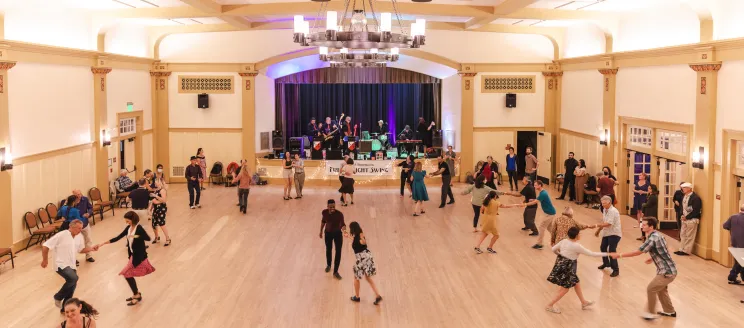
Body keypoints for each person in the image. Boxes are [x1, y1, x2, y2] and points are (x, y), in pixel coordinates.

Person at [611, 217, 677, 320]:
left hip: (667, 272)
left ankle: (650, 313)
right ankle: (670, 311)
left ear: (651, 227)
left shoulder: (652, 239)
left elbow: (637, 252)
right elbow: (665, 248)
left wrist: (619, 255)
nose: (642, 226)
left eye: (645, 224)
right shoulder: (658, 235)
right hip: (667, 269)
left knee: (651, 289)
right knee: (661, 290)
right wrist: (652, 257)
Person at [94, 211, 155, 306]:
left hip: (138, 256)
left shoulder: (139, 228)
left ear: (133, 219)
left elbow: (147, 238)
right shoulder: (128, 228)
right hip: (132, 255)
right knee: (127, 275)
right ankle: (136, 294)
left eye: (128, 221)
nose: (127, 223)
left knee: (126, 274)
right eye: (126, 221)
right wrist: (102, 244)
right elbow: (118, 237)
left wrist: (134, 236)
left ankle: (136, 295)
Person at [545, 227, 604, 314]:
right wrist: (607, 254)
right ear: (576, 236)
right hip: (568, 268)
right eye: (579, 234)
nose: (580, 235)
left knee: (576, 283)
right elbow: (591, 254)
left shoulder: (564, 241)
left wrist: (560, 255)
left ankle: (583, 302)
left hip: (561, 265)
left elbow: (553, 249)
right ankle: (549, 305)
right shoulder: (577, 246)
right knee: (565, 289)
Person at [41, 219, 96, 311]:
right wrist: (45, 260)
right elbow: (45, 246)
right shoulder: (62, 235)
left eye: (81, 228)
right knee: (73, 278)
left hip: (72, 265)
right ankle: (58, 297)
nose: (80, 230)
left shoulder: (79, 236)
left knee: (72, 285)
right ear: (71, 227)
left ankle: (65, 308)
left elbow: (80, 250)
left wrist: (92, 248)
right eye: (78, 228)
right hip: (60, 264)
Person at [346, 221, 383, 305]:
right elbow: (357, 242)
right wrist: (348, 236)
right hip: (368, 256)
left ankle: (357, 297)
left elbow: (363, 242)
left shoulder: (360, 236)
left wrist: (363, 239)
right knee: (368, 277)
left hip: (362, 258)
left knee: (356, 278)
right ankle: (378, 296)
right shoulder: (358, 236)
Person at [516, 180, 556, 249]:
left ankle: (539, 244)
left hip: (550, 213)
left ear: (540, 185)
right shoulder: (542, 192)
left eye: (535, 185)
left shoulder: (543, 193)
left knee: (541, 227)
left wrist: (525, 204)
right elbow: (537, 199)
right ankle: (559, 240)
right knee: (550, 228)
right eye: (534, 185)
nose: (534, 186)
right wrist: (533, 199)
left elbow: (535, 202)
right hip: (548, 213)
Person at [60, 194, 94, 264]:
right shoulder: (75, 210)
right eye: (77, 197)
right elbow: (80, 220)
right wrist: (85, 216)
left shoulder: (63, 208)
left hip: (69, 227)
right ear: (74, 201)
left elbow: (59, 215)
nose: (78, 198)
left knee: (87, 239)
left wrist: (64, 217)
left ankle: (88, 256)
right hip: (75, 227)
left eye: (79, 195)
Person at [320, 199, 346, 280]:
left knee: (338, 252)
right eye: (330, 207)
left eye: (334, 207)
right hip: (328, 234)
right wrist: (320, 231)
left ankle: (335, 272)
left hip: (338, 234)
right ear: (327, 206)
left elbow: (343, 224)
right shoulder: (324, 212)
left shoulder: (339, 214)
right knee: (328, 249)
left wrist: (344, 229)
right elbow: (323, 222)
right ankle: (328, 265)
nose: (332, 208)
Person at [596, 196, 621, 277]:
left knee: (611, 250)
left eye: (604, 203)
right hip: (607, 233)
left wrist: (596, 226)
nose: (602, 205)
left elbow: (609, 223)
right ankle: (606, 263)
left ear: (609, 203)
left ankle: (616, 270)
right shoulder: (604, 209)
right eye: (602, 203)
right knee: (603, 247)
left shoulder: (613, 211)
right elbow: (604, 221)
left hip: (614, 233)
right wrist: (599, 230)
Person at [676, 182, 702, 256]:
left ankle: (686, 250)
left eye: (684, 188)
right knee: (682, 234)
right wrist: (681, 215)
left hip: (692, 219)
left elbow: (696, 210)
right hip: (684, 219)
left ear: (689, 188)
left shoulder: (696, 198)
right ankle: (681, 249)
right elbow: (682, 207)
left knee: (689, 235)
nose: (682, 189)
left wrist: (686, 217)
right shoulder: (684, 196)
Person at [723, 204, 744, 284]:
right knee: (740, 261)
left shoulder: (733, 217)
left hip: (734, 243)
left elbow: (725, 226)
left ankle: (733, 276)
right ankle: (733, 276)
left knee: (738, 261)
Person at [150, 179, 171, 246]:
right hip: (156, 208)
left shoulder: (162, 190)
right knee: (154, 224)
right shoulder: (156, 190)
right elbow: (154, 201)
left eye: (157, 182)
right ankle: (157, 237)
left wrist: (156, 197)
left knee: (161, 224)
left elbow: (164, 200)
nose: (155, 184)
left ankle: (167, 238)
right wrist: (151, 207)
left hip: (161, 208)